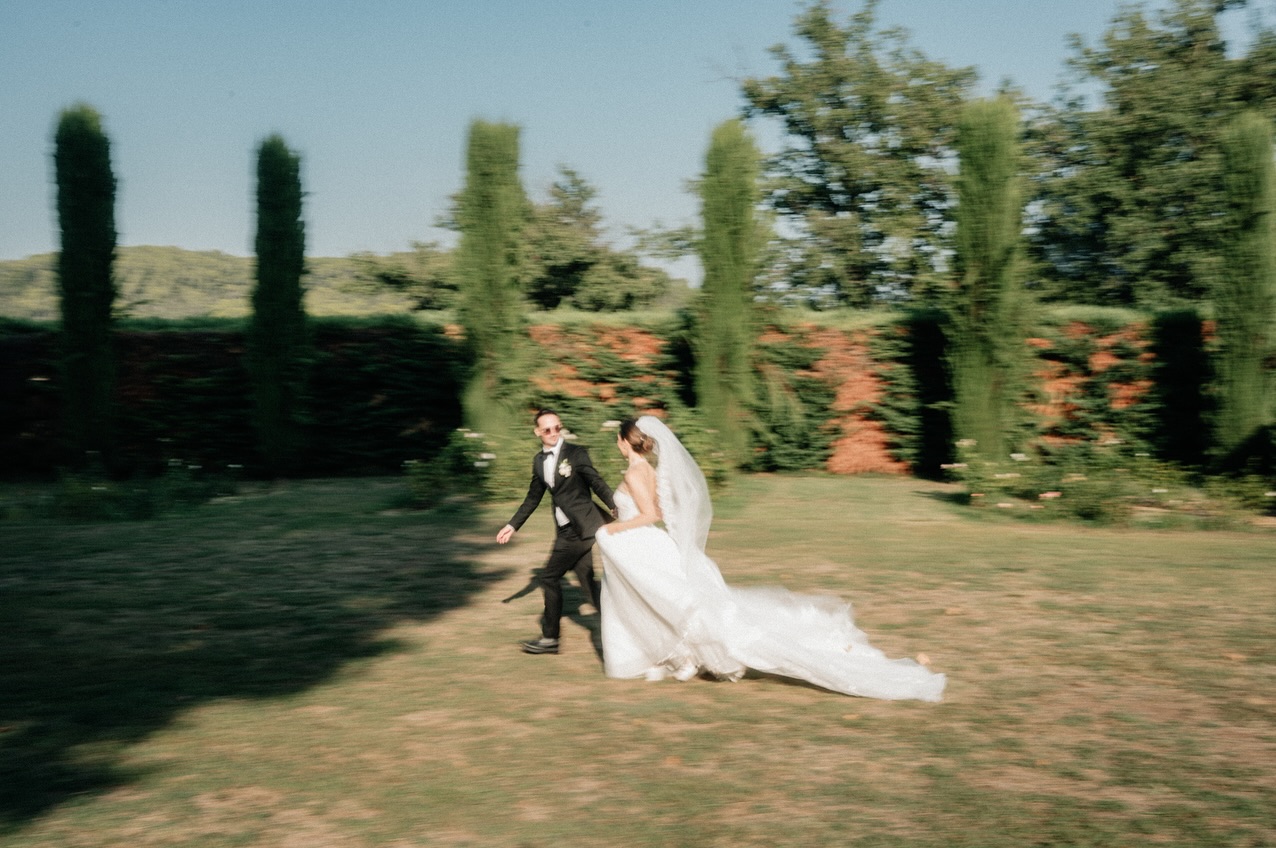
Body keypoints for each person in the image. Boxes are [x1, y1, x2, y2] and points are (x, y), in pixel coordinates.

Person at [594, 416, 946, 701]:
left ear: (626, 441)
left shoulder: (633, 472)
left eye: (619, 439)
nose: (618, 444)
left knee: (674, 603)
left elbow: (650, 513)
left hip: (640, 539)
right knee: (665, 602)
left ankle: (687, 657)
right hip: (646, 543)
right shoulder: (650, 470)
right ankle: (683, 657)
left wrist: (611, 530)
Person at [497, 409, 616, 655]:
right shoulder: (539, 461)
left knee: (549, 578)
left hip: (581, 528)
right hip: (565, 529)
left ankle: (550, 638)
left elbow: (596, 482)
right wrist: (512, 525)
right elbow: (532, 498)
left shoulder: (576, 453)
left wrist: (616, 505)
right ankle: (619, 630)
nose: (553, 433)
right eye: (547, 429)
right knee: (587, 582)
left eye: (557, 428)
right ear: (537, 431)